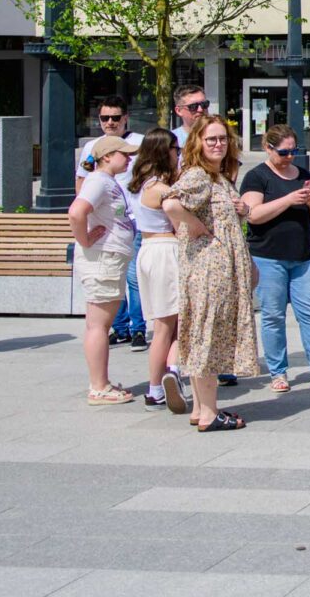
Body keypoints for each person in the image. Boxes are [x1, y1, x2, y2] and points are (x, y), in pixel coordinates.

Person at [162, 114, 259, 431]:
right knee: (208, 338)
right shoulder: (199, 175)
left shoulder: (218, 176)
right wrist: (193, 225)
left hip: (214, 270)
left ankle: (201, 408)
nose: (218, 144)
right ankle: (208, 413)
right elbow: (170, 204)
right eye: (211, 139)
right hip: (209, 271)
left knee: (201, 335)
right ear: (198, 143)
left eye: (222, 138)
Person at [240, 125, 310, 393]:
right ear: (268, 148)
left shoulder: (304, 175)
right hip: (268, 257)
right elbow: (253, 215)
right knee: (273, 315)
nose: (289, 157)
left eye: (293, 151)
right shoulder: (256, 177)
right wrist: (288, 199)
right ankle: (278, 372)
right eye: (283, 152)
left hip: (301, 258)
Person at [68, 134, 140, 406]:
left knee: (99, 324)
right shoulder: (98, 180)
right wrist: (84, 239)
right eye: (124, 154)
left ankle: (101, 382)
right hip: (102, 259)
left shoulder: (105, 181)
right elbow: (77, 212)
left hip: (108, 258)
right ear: (107, 156)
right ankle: (99, 386)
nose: (129, 158)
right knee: (99, 325)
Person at [78, 96, 146, 351]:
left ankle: (138, 328)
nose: (110, 122)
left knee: (133, 278)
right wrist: (83, 232)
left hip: (134, 219)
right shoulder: (93, 148)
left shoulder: (138, 143)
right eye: (104, 118)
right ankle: (120, 327)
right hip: (106, 228)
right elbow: (81, 186)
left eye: (115, 118)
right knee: (112, 282)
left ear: (125, 117)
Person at [127, 128, 186, 411]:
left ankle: (158, 385)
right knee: (170, 325)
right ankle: (168, 375)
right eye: (176, 148)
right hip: (165, 250)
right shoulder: (161, 189)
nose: (179, 153)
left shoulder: (142, 184)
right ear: (165, 151)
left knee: (164, 324)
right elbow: (181, 222)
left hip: (149, 250)